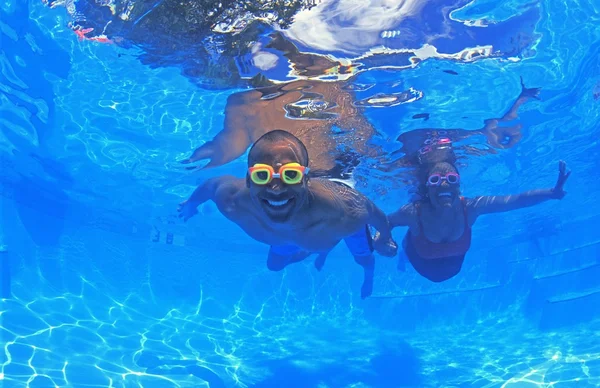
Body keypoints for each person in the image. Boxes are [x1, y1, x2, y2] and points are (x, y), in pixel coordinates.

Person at [177, 130, 397, 298]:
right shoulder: (233, 201)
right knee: (274, 266)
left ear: (305, 180)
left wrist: (384, 237)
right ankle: (310, 251)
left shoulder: (344, 214)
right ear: (248, 180)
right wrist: (191, 203)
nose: (276, 188)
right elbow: (210, 185)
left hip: (332, 211)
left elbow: (373, 212)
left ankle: (368, 277)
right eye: (262, 175)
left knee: (363, 260)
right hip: (299, 236)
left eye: (290, 175)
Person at [378, 160, 570, 282]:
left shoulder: (471, 207)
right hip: (420, 262)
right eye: (435, 180)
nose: (444, 183)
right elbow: (384, 222)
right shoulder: (413, 212)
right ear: (427, 188)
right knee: (406, 243)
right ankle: (403, 255)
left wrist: (551, 193)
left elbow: (514, 201)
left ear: (459, 186)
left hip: (454, 266)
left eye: (451, 179)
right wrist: (382, 240)